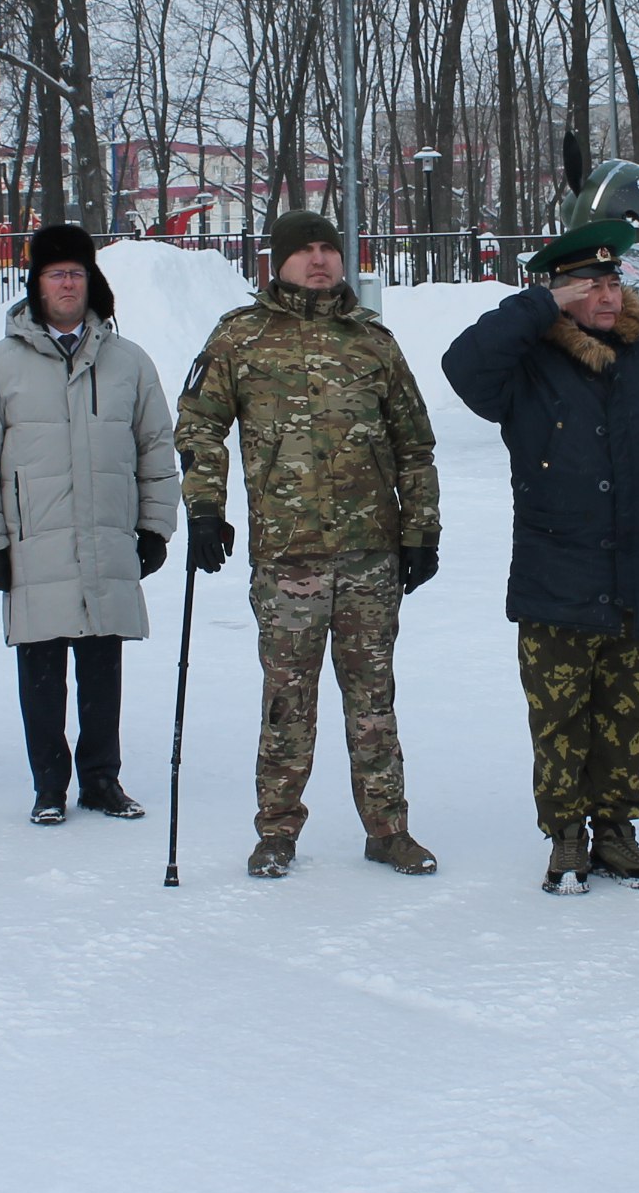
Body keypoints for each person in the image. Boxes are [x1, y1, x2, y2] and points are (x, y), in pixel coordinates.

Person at [176, 207, 443, 879]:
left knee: (373, 700)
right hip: (287, 556)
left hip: (369, 554)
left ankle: (388, 828)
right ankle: (276, 832)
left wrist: (421, 531)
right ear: (278, 261)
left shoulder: (372, 342)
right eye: (306, 251)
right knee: (287, 702)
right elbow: (200, 425)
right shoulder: (242, 338)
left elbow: (414, 442)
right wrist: (204, 508)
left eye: (330, 248)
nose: (320, 260)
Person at [442, 219, 639, 894]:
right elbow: (461, 366)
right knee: (560, 724)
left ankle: (617, 831)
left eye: (613, 281)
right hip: (557, 577)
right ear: (559, 292)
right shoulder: (526, 365)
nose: (606, 294)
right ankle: (565, 837)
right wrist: (538, 306)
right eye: (588, 284)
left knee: (630, 719)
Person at [0, 224, 180, 825]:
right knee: (42, 670)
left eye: (76, 272)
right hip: (35, 543)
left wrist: (155, 526)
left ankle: (102, 780)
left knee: (103, 668)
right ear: (36, 283)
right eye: (55, 273)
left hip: (106, 537)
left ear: (91, 282)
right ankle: (49, 784)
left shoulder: (128, 362)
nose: (66, 283)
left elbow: (156, 446)